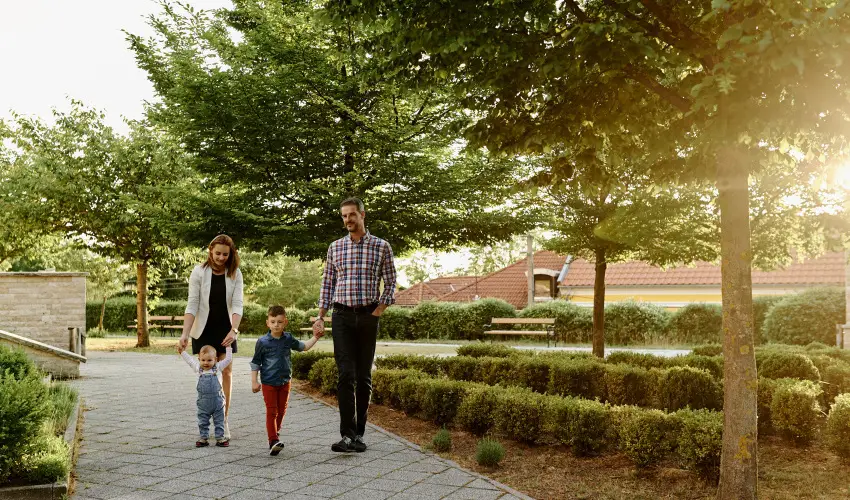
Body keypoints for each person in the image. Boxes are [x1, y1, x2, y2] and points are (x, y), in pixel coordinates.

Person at [314, 197, 396, 453]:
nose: (347, 220)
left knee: (363, 377)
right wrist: (320, 315)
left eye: (351, 215)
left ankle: (359, 434)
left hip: (367, 316)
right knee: (345, 375)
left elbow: (391, 282)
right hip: (341, 317)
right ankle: (347, 436)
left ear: (362, 214)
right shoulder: (335, 247)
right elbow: (327, 283)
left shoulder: (382, 246)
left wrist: (378, 310)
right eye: (343, 216)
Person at [179, 234, 244, 441]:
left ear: (231, 254)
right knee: (206, 372)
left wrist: (234, 330)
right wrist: (185, 334)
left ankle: (223, 421)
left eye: (225, 254)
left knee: (226, 372)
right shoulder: (199, 272)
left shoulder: (235, 273)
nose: (221, 257)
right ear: (210, 251)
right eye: (218, 253)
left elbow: (237, 304)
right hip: (204, 328)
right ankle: (205, 419)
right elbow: (192, 304)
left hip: (226, 328)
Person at [250, 305, 323, 455]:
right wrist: (254, 381)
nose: (276, 324)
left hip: (285, 382)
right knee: (272, 411)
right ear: (267, 323)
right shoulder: (262, 342)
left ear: (285, 322)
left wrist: (316, 337)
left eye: (279, 322)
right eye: (273, 321)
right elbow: (256, 362)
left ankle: (276, 435)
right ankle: (273, 440)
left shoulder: (288, 338)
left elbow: (304, 347)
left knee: (282, 410)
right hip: (268, 382)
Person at [178, 343, 233, 447]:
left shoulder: (218, 367)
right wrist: (182, 352)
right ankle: (203, 438)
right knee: (203, 421)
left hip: (218, 402)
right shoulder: (198, 368)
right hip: (203, 402)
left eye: (209, 360)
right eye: (203, 360)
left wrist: (228, 347)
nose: (206, 363)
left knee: (219, 421)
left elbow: (228, 359)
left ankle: (220, 438)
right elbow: (189, 360)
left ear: (216, 359)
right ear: (199, 359)